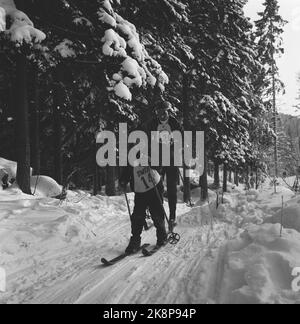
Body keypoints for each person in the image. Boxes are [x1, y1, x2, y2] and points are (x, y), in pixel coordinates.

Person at [144, 100, 183, 231]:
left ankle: (172, 217)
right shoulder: (152, 124)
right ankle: (158, 215)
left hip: (171, 160)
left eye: (164, 112)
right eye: (159, 112)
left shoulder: (174, 123)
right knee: (156, 188)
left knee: (171, 188)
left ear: (168, 112)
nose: (162, 115)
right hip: (157, 159)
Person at [119, 160, 168, 255]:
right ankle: (135, 241)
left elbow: (160, 165)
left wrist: (152, 161)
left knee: (157, 213)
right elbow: (127, 168)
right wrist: (123, 179)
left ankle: (162, 235)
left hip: (154, 186)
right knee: (137, 215)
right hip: (140, 189)